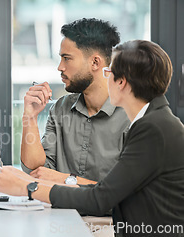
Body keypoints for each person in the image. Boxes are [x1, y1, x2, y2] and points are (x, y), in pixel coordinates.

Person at [0, 40, 184, 236]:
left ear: (121, 82)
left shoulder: (153, 128)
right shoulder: (154, 121)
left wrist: (27, 187)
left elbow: (100, 198)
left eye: (108, 73)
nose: (105, 81)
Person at [20, 18, 130, 185]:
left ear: (95, 62)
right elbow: (36, 171)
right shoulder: (60, 108)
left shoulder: (131, 115)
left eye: (67, 58)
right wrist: (30, 117)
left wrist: (67, 180)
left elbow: (128, 192)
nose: (60, 67)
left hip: (107, 212)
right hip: (60, 210)